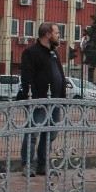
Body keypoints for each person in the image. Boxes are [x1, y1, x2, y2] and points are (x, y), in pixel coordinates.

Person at [17, 22, 66, 176]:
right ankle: (28, 164)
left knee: (50, 133)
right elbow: (27, 78)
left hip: (55, 100)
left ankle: (42, 164)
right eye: (57, 33)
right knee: (33, 132)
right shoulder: (31, 52)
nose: (58, 36)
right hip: (39, 100)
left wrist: (62, 95)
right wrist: (34, 98)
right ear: (47, 34)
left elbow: (59, 75)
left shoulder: (54, 53)